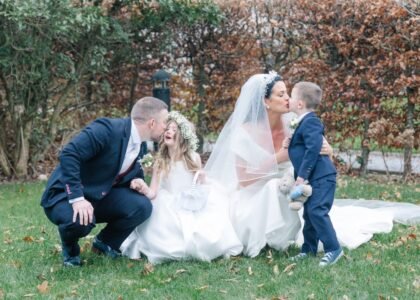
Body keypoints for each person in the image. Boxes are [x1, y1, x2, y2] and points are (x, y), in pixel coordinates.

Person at [205, 71, 420, 259]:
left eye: (288, 93)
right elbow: (243, 180)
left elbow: (315, 142)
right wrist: (278, 158)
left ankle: (305, 234)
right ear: (265, 101)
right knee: (275, 188)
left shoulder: (293, 119)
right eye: (281, 95)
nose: (288, 98)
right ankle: (276, 234)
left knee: (303, 202)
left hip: (294, 187)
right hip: (254, 195)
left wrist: (328, 150)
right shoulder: (244, 132)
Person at [40, 97, 168, 267]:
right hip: (64, 195)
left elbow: (120, 170)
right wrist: (77, 199)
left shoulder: (141, 145)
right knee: (79, 221)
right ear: (152, 123)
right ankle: (70, 251)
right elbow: (69, 154)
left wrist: (138, 181)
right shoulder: (107, 129)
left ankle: (105, 244)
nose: (166, 127)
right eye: (165, 122)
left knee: (142, 206)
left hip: (98, 195)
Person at [120, 111, 243, 264]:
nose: (169, 131)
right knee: (167, 228)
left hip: (191, 201)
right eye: (167, 129)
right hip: (168, 203)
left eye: (174, 130)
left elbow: (198, 187)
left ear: (183, 137)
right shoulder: (161, 161)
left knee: (205, 229)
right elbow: (153, 192)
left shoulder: (193, 158)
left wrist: (202, 179)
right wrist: (143, 187)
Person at [286, 82, 342, 266]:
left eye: (291, 96)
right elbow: (302, 146)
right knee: (309, 214)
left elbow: (313, 150)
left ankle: (334, 249)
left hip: (322, 177)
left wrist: (301, 177)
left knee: (318, 212)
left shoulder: (311, 122)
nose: (288, 99)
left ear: (300, 104)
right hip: (314, 178)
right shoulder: (302, 122)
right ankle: (308, 249)